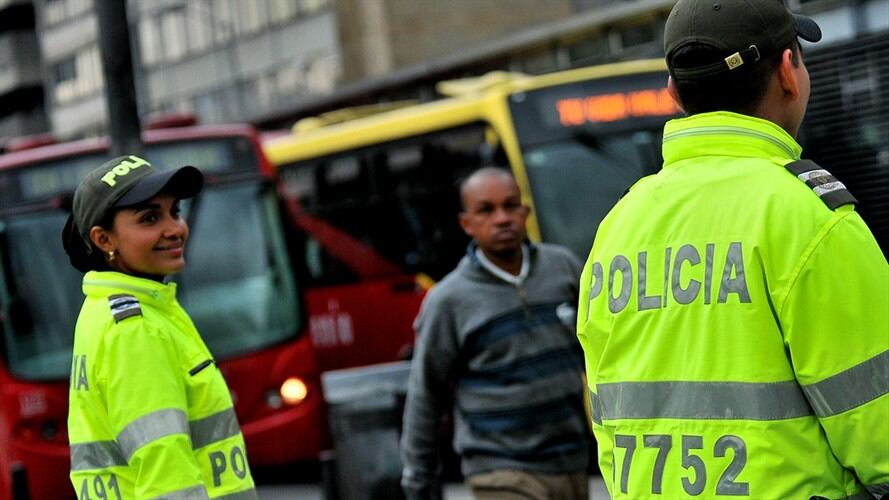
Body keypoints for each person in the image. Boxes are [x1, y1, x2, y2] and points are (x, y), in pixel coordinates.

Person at [576, 0, 889, 498]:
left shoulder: (618, 225)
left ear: (675, 94)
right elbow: (881, 432)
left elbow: (607, 416)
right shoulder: (809, 217)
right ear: (789, 72)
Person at [62, 155, 257, 500]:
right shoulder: (135, 329)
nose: (174, 228)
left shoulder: (104, 312)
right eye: (150, 217)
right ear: (104, 239)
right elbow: (166, 475)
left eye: (175, 211)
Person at [400, 167, 590, 500]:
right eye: (486, 210)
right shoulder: (449, 300)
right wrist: (418, 479)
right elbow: (425, 393)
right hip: (499, 470)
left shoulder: (564, 269)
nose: (502, 218)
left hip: (571, 462)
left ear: (524, 211)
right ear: (466, 224)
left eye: (510, 205)